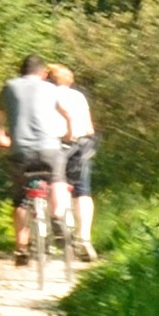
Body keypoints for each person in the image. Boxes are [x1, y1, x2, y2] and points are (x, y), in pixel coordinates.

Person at [0, 57, 78, 266]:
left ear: (21, 71)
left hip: (20, 151)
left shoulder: (9, 87)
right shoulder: (50, 88)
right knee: (57, 180)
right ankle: (57, 217)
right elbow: (67, 115)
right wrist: (69, 134)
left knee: (21, 199)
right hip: (49, 148)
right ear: (42, 73)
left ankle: (21, 248)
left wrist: (1, 139)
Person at [48, 59, 102, 260]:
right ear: (68, 80)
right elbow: (89, 128)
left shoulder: (45, 95)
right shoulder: (78, 96)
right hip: (81, 144)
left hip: (56, 144)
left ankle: (57, 219)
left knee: (55, 183)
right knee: (83, 191)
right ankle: (85, 239)